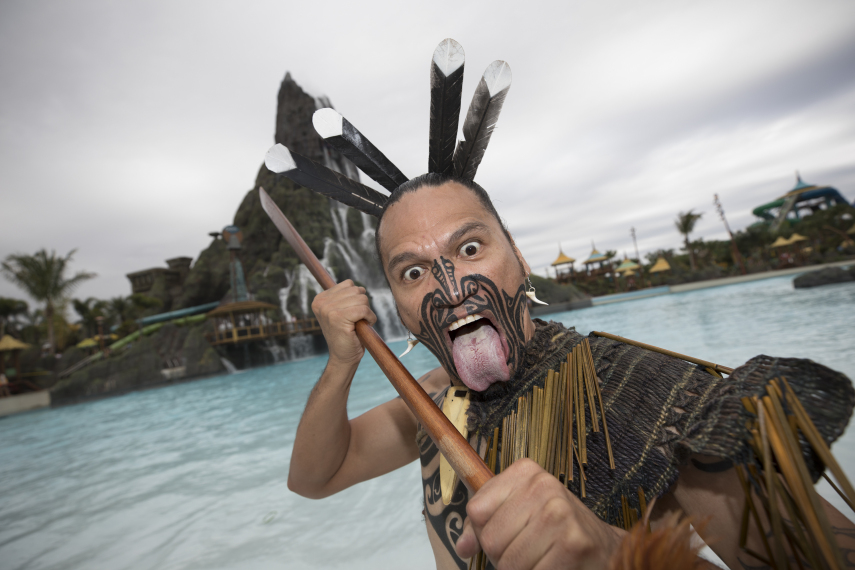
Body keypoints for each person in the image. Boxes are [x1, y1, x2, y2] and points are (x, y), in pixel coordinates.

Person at [271, 40, 855, 569]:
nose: (449, 288)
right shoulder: (429, 403)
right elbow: (315, 479)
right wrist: (342, 363)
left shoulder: (658, 401)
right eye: (413, 270)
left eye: (469, 247)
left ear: (519, 256)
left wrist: (617, 553)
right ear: (396, 304)